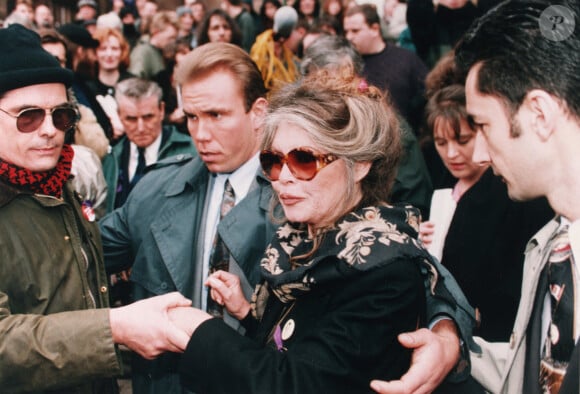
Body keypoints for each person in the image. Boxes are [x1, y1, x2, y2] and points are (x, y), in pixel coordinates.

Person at [167, 62, 436, 394]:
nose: (283, 177)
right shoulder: (298, 239)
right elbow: (293, 346)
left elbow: (299, 383)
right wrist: (248, 314)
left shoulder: (383, 269)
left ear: (361, 164)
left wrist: (202, 330)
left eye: (304, 160)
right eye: (274, 161)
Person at [371, 1, 580, 393]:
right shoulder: (551, 250)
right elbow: (537, 368)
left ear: (539, 113)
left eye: (482, 125)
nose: (479, 155)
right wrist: (453, 348)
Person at [0, 23, 191, 393]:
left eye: (61, 115)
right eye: (28, 116)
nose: (49, 130)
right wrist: (115, 327)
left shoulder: (59, 181)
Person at [98, 42, 275, 394]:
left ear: (258, 113)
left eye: (216, 115)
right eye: (192, 117)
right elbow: (80, 256)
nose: (201, 134)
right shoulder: (156, 189)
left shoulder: (301, 197)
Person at [420, 82, 553, 342]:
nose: (452, 153)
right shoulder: (443, 183)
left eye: (463, 140)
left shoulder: (512, 195)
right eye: (440, 143)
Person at [300, 34, 433, 216]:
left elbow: (414, 197)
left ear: (352, 73)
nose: (322, 92)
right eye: (315, 84)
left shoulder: (386, 124)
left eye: (328, 81)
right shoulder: (314, 124)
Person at [102, 77, 195, 213]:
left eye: (148, 117)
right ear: (119, 115)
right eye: (131, 119)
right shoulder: (111, 157)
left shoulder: (191, 153)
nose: (140, 128)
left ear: (162, 110)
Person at [343, 4, 427, 132]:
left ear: (375, 29)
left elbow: (426, 98)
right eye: (346, 31)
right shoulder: (346, 66)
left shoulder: (406, 59)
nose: (349, 37)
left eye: (355, 31)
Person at [89, 27, 136, 143]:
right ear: (95, 53)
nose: (109, 54)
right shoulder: (88, 87)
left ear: (122, 52)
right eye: (103, 49)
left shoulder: (134, 83)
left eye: (114, 49)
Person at [129, 10, 178, 80]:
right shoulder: (142, 52)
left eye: (174, 38)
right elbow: (133, 83)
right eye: (170, 38)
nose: (173, 42)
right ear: (156, 32)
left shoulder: (160, 52)